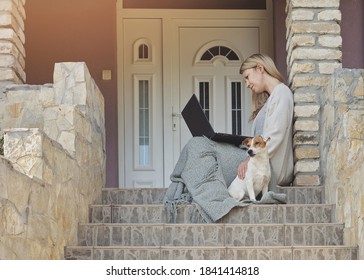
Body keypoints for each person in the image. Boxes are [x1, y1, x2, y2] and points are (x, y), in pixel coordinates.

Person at [163, 53, 293, 223]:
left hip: (267, 167)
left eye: (247, 77)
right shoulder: (270, 100)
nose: (247, 84)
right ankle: (207, 196)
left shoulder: (281, 93)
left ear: (260, 68)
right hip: (256, 161)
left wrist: (248, 158)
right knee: (201, 143)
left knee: (197, 144)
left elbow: (274, 137)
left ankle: (213, 202)